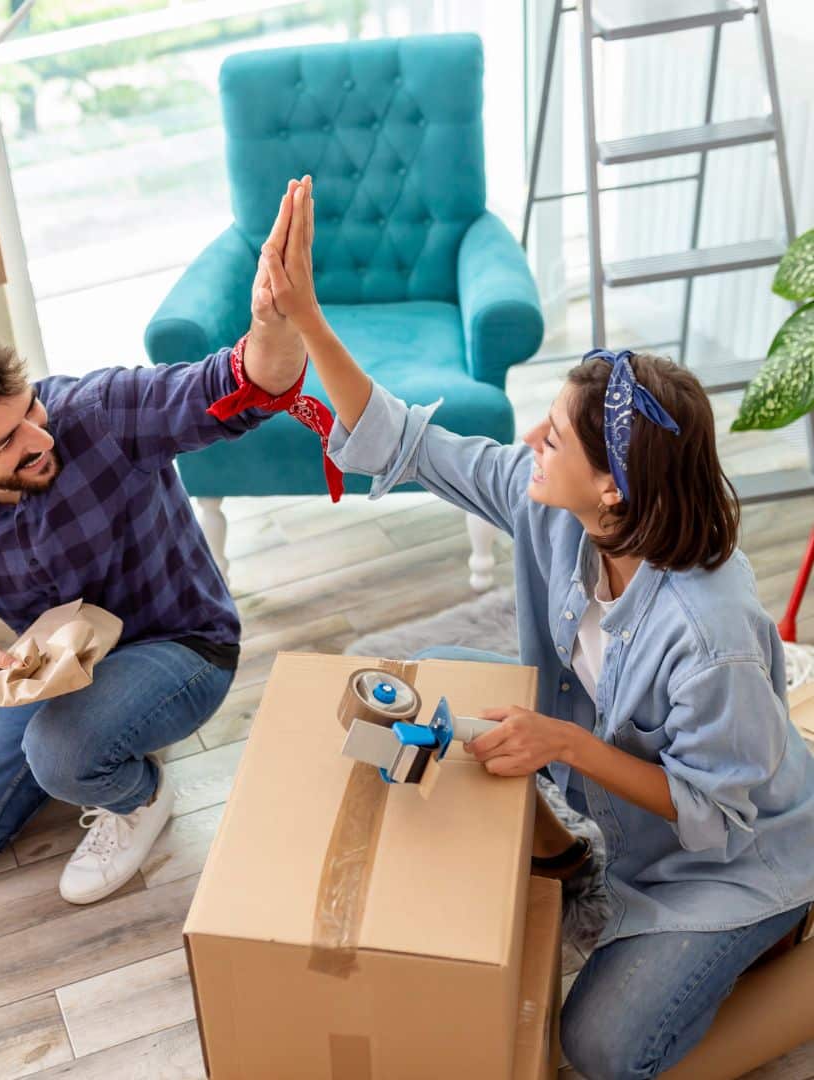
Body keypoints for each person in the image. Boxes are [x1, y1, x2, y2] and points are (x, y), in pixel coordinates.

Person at [262, 175, 814, 1079]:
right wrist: (308, 318)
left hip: (736, 862)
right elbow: (406, 442)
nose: (528, 442)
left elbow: (715, 813)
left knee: (598, 1046)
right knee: (438, 671)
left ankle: (789, 944)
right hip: (627, 801)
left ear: (613, 489)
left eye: (554, 436)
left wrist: (562, 741)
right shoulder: (558, 510)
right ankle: (575, 861)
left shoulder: (710, 636)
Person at [0, 181, 315, 906]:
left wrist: (275, 321)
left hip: (181, 643)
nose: (40, 438)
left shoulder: (99, 412)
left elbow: (245, 387)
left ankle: (137, 793)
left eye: (30, 410)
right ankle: (100, 738)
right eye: (8, 440)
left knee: (62, 753)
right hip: (52, 666)